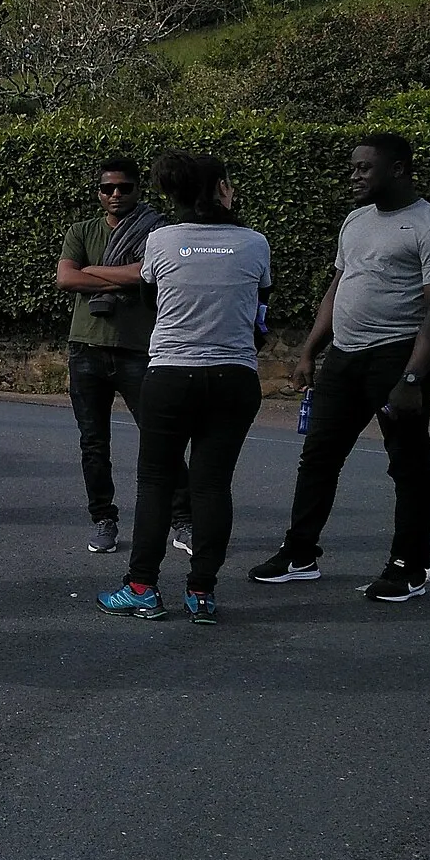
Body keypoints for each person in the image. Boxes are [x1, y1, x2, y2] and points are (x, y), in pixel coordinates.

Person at [250, 133, 430, 602]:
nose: (355, 176)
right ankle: (300, 553)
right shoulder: (355, 221)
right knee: (319, 456)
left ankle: (408, 567)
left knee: (408, 465)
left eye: (366, 167)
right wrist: (310, 349)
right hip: (344, 356)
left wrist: (411, 377)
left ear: (399, 169)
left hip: (396, 357)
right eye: (353, 167)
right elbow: (338, 287)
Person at [97, 153, 272, 624]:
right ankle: (202, 593)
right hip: (235, 376)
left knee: (156, 482)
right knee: (212, 485)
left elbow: (156, 297)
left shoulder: (161, 241)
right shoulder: (255, 244)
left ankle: (142, 587)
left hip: (172, 373)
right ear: (220, 188)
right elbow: (260, 316)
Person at [56, 156, 195, 555]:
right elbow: (66, 277)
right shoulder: (81, 230)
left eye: (124, 187)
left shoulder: (157, 233)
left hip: (138, 349)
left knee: (160, 439)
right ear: (98, 192)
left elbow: (148, 274)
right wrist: (126, 277)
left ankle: (182, 520)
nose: (115, 194)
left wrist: (94, 273)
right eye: (107, 188)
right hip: (86, 348)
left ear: (138, 190)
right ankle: (104, 519)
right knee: (93, 444)